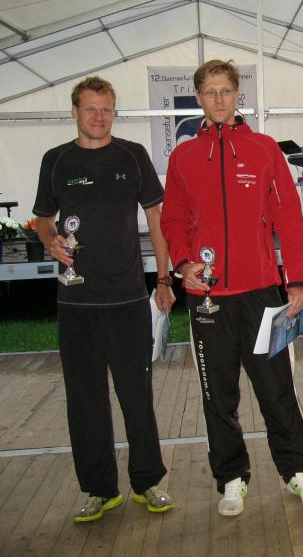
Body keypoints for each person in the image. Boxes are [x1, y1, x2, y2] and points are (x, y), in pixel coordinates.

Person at [160, 59, 303, 516]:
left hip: (261, 294)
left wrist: (295, 280)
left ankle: (298, 471)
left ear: (237, 95)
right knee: (218, 396)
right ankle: (231, 478)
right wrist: (183, 264)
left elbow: (288, 218)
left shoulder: (264, 149)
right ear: (199, 98)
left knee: (277, 389)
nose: (218, 99)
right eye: (210, 92)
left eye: (226, 91)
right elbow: (173, 220)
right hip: (207, 297)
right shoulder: (183, 158)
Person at [33, 76, 175, 522]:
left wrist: (164, 279)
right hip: (76, 304)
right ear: (74, 112)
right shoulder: (56, 160)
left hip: (128, 300)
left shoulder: (132, 155)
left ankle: (147, 482)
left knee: (137, 396)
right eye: (91, 108)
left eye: (106, 109)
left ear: (115, 112)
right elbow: (42, 218)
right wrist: (50, 240)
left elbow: (157, 219)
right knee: (84, 400)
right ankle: (99, 490)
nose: (99, 116)